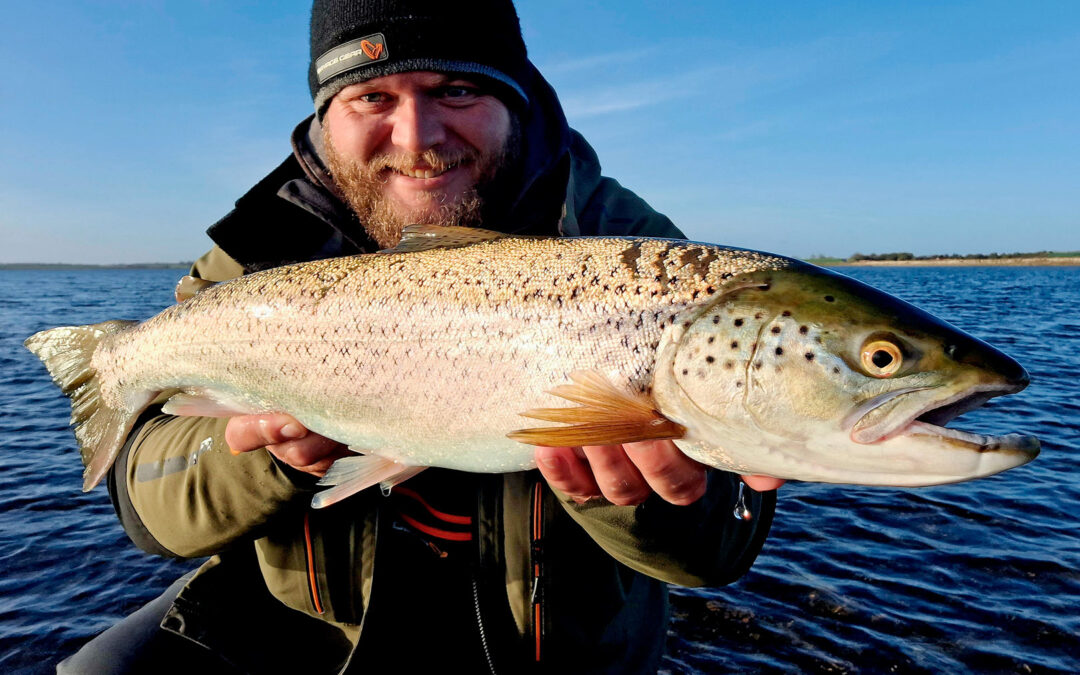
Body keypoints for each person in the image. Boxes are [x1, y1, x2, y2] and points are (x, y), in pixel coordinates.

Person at [59, 1, 782, 673]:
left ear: (515, 104)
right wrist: (267, 458)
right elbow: (149, 504)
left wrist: (639, 496)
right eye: (372, 97)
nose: (418, 138)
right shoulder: (258, 249)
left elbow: (720, 544)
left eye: (458, 90)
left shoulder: (634, 253)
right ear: (324, 117)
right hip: (321, 642)